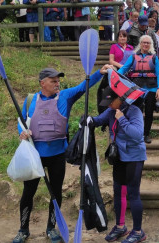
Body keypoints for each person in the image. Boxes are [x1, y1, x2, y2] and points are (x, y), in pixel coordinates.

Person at [12, 65, 113, 243]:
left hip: (58, 154)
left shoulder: (65, 96)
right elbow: (22, 120)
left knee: (56, 192)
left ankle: (51, 227)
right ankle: (23, 229)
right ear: (42, 83)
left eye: (58, 80)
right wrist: (22, 132)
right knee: (29, 192)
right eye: (53, 81)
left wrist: (100, 73)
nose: (57, 83)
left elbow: (84, 86)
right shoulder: (30, 100)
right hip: (35, 154)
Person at [91, 87, 147, 243]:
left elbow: (137, 135)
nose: (108, 105)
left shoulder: (134, 111)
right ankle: (120, 226)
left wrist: (122, 118)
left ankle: (138, 231)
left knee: (133, 193)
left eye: (110, 102)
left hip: (134, 157)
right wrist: (89, 120)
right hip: (119, 157)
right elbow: (98, 120)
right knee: (118, 191)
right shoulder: (110, 112)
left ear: (120, 98)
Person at [118, 35, 159, 144]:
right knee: (137, 112)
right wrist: (115, 76)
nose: (145, 44)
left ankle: (146, 134)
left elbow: (158, 74)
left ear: (150, 45)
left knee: (149, 112)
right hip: (137, 89)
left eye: (148, 43)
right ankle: (137, 133)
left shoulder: (154, 57)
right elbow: (124, 69)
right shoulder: (133, 57)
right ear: (140, 44)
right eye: (144, 42)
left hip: (151, 89)